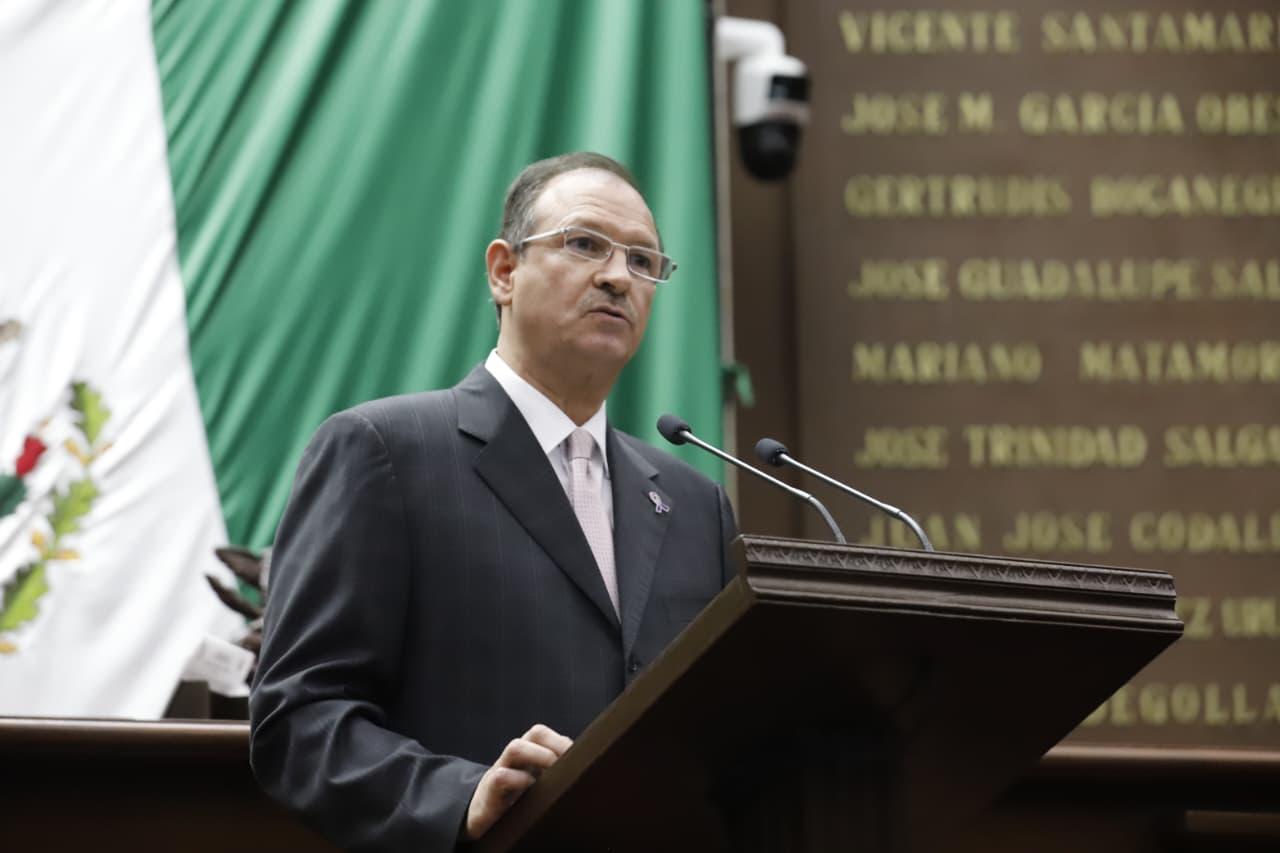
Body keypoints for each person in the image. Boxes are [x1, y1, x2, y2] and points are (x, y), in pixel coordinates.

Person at [249, 152, 738, 852]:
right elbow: (299, 718)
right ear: (504, 271)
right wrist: (461, 796)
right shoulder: (384, 452)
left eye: (642, 260)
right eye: (584, 243)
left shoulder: (694, 504)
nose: (617, 276)